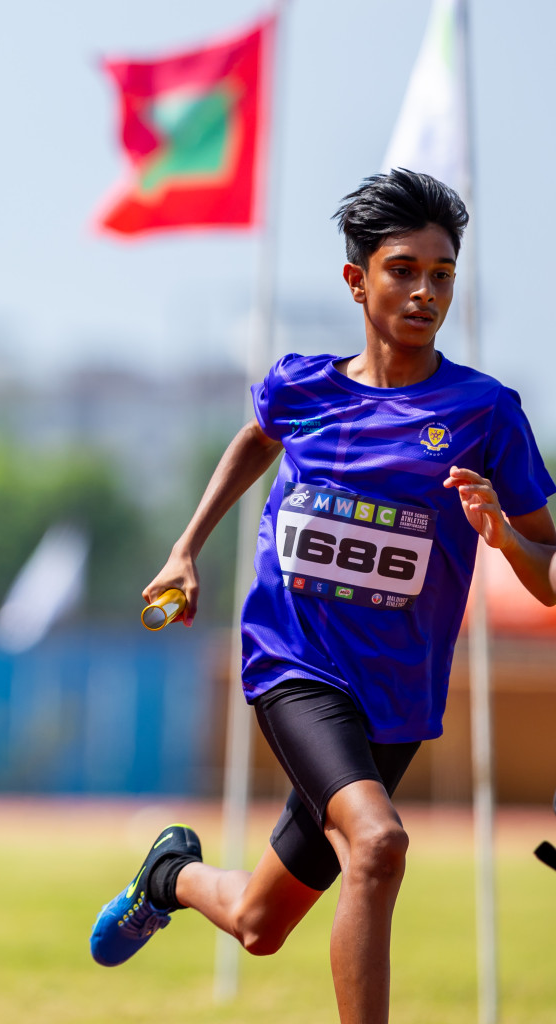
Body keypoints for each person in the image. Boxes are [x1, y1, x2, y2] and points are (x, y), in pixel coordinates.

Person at [90, 168, 556, 1024]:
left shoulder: (487, 413)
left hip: (396, 702)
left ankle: (171, 876)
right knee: (377, 845)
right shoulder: (304, 384)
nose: (424, 291)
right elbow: (253, 440)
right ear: (357, 280)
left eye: (442, 274)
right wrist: (185, 549)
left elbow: (551, 573)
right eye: (403, 270)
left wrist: (506, 536)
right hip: (294, 667)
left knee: (260, 923)